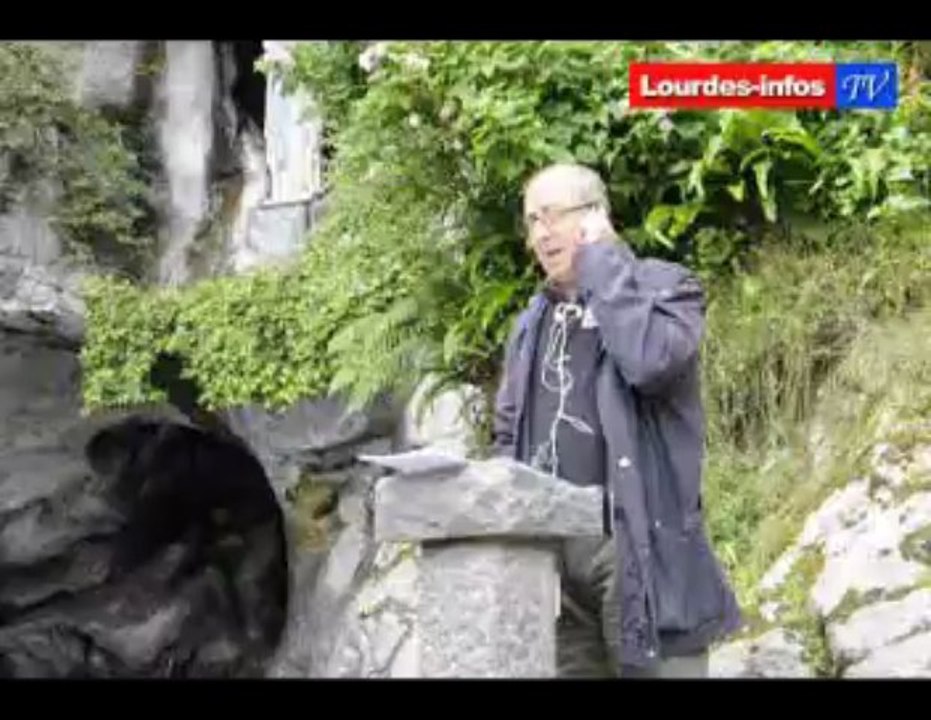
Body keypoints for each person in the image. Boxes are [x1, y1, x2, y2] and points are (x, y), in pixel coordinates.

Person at [491, 163, 742, 678]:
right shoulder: (532, 322)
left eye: (553, 216)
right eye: (532, 220)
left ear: (595, 217)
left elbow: (649, 362)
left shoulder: (665, 289)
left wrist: (603, 262)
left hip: (639, 549)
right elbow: (508, 430)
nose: (541, 234)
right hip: (556, 565)